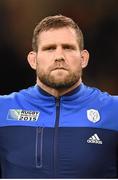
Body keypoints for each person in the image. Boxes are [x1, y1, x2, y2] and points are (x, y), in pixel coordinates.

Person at [0, 14, 118, 179]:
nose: (59, 56)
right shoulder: (3, 110)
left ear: (83, 58)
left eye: (68, 47)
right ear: (33, 60)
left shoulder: (114, 110)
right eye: (49, 48)